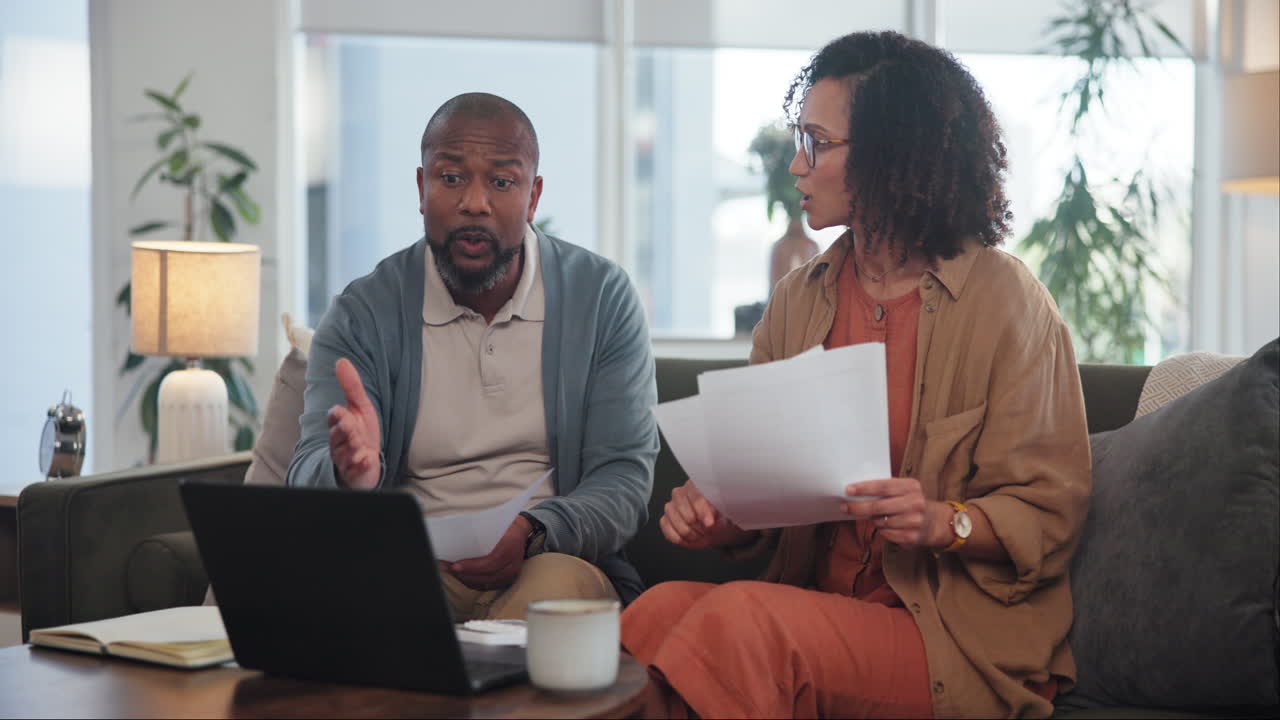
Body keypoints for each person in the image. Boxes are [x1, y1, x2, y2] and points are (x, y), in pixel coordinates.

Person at [621, 31, 1090, 719]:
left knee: (746, 623)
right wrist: (719, 516)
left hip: (952, 637)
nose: (797, 165)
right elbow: (765, 501)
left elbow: (1051, 515)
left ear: (890, 153)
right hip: (821, 608)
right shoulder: (797, 299)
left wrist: (944, 522)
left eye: (817, 143)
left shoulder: (1009, 303)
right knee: (653, 614)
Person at [287, 92, 658, 620]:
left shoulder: (600, 297)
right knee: (360, 601)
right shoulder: (362, 312)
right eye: (451, 177)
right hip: (412, 563)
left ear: (533, 196)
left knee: (552, 600)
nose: (475, 202)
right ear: (422, 189)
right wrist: (350, 475)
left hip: (549, 558)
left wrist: (535, 530)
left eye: (502, 182)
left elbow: (623, 479)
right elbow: (304, 472)